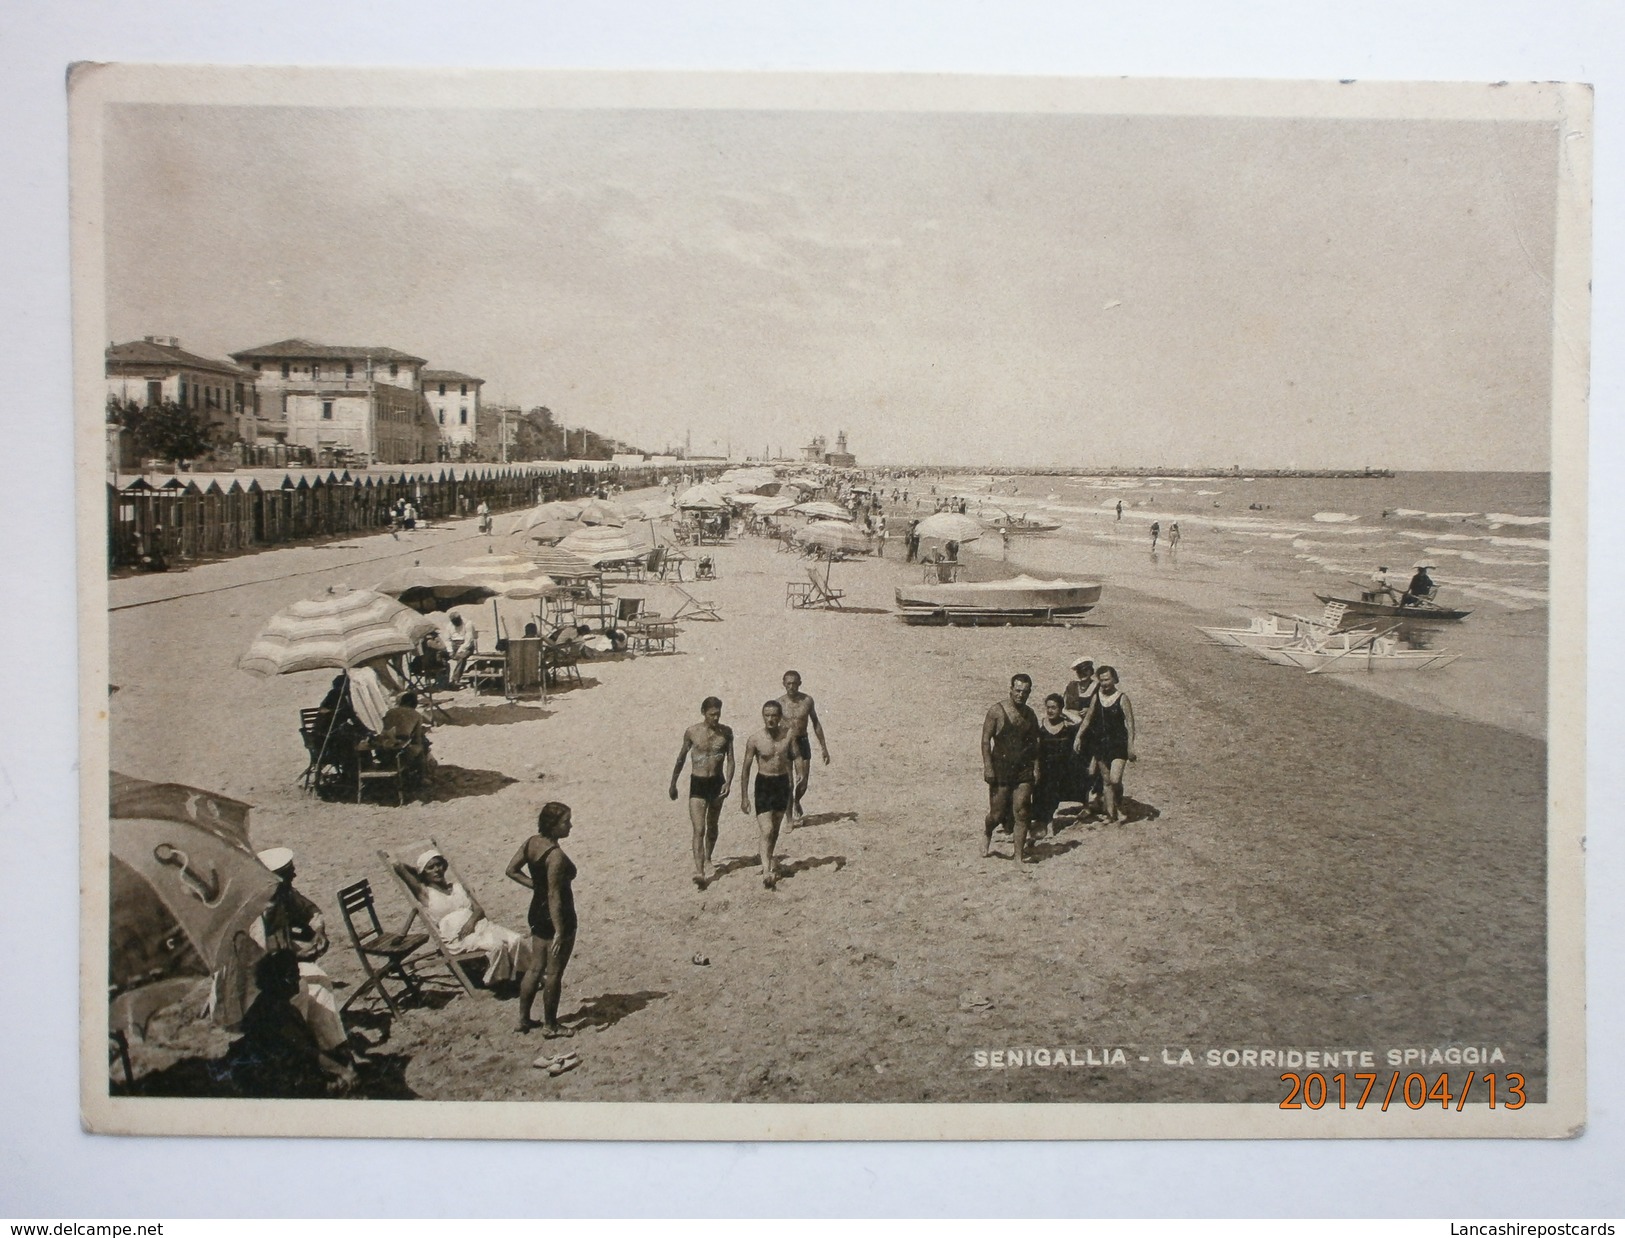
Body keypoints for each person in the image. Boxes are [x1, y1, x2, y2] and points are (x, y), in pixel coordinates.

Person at [253, 848, 352, 1064]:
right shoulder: (259, 908)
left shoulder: (284, 893)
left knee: (320, 982)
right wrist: (299, 953)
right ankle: (306, 1052)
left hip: (285, 965)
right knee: (304, 992)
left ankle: (334, 1048)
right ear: (276, 878)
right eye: (290, 873)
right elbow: (263, 950)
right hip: (261, 978)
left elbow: (310, 910)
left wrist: (319, 932)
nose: (294, 876)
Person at [227, 950, 354, 1097]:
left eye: (297, 974)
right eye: (291, 976)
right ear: (275, 981)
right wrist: (343, 1072)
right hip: (268, 1072)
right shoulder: (277, 1011)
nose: (297, 980)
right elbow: (306, 1050)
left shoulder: (275, 1002)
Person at [392, 848, 530, 983]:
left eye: (439, 865)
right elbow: (398, 866)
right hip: (459, 937)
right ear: (423, 873)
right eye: (431, 867)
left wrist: (471, 922)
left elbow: (478, 909)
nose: (437, 870)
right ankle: (502, 981)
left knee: (516, 939)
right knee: (497, 946)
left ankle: (530, 973)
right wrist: (418, 872)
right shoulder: (425, 894)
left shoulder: (458, 887)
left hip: (481, 926)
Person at [506, 803, 578, 1037]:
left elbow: (511, 870)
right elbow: (555, 896)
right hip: (558, 916)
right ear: (553, 825)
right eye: (566, 822)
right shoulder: (555, 857)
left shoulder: (531, 843)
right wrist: (559, 930)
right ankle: (551, 1025)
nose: (570, 825)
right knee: (554, 972)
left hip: (536, 911)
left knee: (536, 967)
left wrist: (535, 886)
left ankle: (523, 1020)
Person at [668, 697, 735, 888]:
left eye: (718, 714)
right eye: (711, 714)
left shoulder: (726, 732)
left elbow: (731, 760)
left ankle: (708, 857)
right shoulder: (692, 732)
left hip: (717, 782)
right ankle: (699, 871)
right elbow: (681, 758)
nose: (715, 717)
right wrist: (673, 783)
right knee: (699, 829)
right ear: (703, 712)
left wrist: (728, 782)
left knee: (712, 824)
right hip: (697, 783)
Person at [740, 700, 799, 889]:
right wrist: (744, 797)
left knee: (774, 828)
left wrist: (801, 773)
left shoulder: (788, 735)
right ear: (763, 716)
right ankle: (766, 871)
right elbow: (746, 769)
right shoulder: (755, 739)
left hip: (781, 783)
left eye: (774, 715)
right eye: (767, 715)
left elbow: (796, 755)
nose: (771, 719)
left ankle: (769, 859)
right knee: (766, 830)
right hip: (764, 784)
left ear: (780, 717)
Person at [982, 673, 1040, 862]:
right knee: (997, 814)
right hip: (1001, 768)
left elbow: (1035, 743)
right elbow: (985, 741)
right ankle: (987, 832)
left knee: (1022, 811)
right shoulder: (996, 711)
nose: (1021, 695)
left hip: (1023, 769)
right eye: (1017, 691)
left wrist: (1036, 767)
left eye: (1025, 692)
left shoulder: (1030, 714)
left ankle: (1018, 857)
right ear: (1010, 689)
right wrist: (988, 767)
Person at [1079, 665, 1136, 823]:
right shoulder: (1097, 697)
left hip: (1118, 744)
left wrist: (1130, 746)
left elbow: (1130, 724)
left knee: (1115, 779)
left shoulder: (1122, 698)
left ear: (1115, 679)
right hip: (1100, 744)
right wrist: (1078, 737)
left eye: (1107, 680)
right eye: (1102, 680)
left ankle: (1118, 804)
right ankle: (1111, 815)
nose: (1104, 683)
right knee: (1105, 780)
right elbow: (1088, 719)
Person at [776, 670, 830, 822]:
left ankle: (797, 800)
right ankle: (789, 819)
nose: (791, 686)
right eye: (788, 683)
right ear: (784, 684)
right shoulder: (779, 703)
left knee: (803, 782)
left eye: (794, 683)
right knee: (789, 783)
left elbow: (816, 723)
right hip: (786, 743)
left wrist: (824, 747)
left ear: (800, 683)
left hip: (802, 741)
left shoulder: (807, 701)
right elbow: (772, 727)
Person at [1033, 693, 1081, 838]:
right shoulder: (1041, 724)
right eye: (1048, 707)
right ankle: (1045, 824)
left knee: (1053, 796)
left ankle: (1048, 823)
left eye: (1054, 708)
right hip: (1044, 766)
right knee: (1042, 796)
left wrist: (1064, 711)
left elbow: (1079, 720)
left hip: (1060, 769)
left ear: (1060, 708)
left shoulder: (1067, 726)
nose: (1050, 711)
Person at [376, 690, 431, 781]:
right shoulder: (416, 715)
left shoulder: (390, 712)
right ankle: (422, 777)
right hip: (401, 747)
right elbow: (417, 738)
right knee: (421, 747)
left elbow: (385, 729)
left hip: (384, 746)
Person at [445, 612, 477, 686]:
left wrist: (460, 650)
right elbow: (447, 639)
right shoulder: (449, 626)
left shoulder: (468, 623)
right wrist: (450, 651)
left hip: (466, 645)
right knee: (440, 654)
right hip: (453, 645)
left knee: (461, 657)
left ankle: (455, 679)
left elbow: (469, 640)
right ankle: (443, 680)